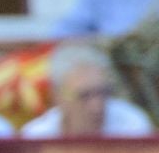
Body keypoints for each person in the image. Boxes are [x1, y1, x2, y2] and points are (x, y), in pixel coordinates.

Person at [21, 43, 155, 138]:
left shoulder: (131, 126)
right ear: (58, 97)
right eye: (84, 96)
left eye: (103, 93)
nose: (97, 106)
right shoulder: (37, 138)